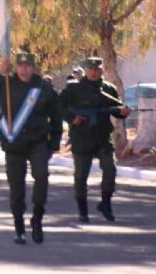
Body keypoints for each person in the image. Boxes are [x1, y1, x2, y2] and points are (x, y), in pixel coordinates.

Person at [0, 53, 62, 245]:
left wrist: (53, 145)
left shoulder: (44, 88)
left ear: (34, 67)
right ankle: (19, 226)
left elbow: (56, 117)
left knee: (41, 178)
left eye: (28, 66)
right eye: (20, 66)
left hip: (38, 142)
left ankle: (37, 218)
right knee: (16, 187)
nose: (24, 70)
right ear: (16, 67)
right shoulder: (5, 84)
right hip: (14, 144)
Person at [59, 57, 131, 224]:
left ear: (101, 70)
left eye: (97, 69)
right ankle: (82, 211)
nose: (93, 72)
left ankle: (106, 203)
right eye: (90, 69)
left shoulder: (108, 89)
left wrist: (123, 112)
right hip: (81, 137)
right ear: (85, 70)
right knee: (81, 175)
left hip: (103, 137)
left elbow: (116, 109)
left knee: (110, 169)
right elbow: (58, 106)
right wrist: (72, 118)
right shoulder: (74, 89)